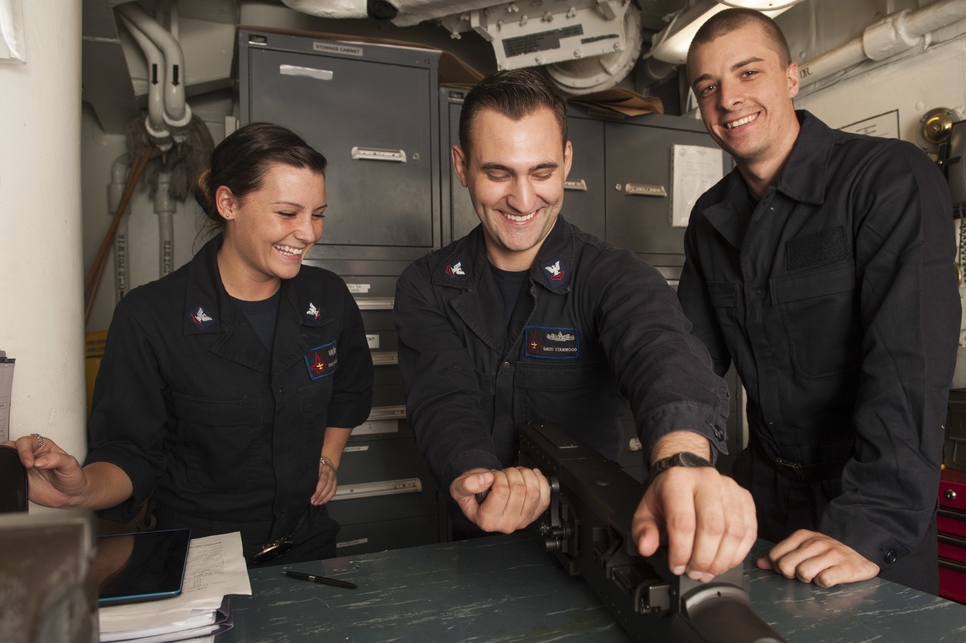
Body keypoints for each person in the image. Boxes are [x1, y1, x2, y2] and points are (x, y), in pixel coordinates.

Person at [394, 68, 757, 583]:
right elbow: (442, 395)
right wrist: (478, 473)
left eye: (541, 172)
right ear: (461, 166)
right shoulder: (426, 285)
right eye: (498, 174)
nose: (522, 200)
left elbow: (661, 349)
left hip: (590, 551)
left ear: (566, 160)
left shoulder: (611, 274)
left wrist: (685, 461)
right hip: (475, 549)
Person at [678, 8, 960, 593]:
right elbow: (690, 365)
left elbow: (909, 365)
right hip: (764, 498)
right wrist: (683, 472)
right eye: (708, 87)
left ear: (790, 77)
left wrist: (870, 524)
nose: (728, 99)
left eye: (748, 73)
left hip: (869, 499)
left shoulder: (886, 179)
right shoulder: (711, 218)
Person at [7, 122, 374, 565]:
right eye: (287, 213)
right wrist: (81, 489)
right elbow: (130, 453)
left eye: (317, 214)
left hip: (308, 543)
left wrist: (329, 457)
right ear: (227, 203)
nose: (310, 233)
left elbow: (350, 391)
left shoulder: (328, 297)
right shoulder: (149, 317)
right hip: (200, 557)